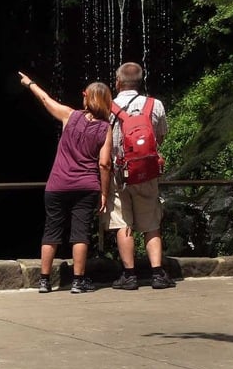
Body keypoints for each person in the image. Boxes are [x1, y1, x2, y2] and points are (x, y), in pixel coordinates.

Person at [19, 71, 113, 294]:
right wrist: (104, 192)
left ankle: (44, 281)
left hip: (57, 184)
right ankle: (78, 282)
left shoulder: (70, 116)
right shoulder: (105, 128)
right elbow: (105, 164)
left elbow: (45, 99)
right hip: (86, 186)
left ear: (86, 97)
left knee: (51, 232)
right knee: (80, 234)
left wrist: (29, 83)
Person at [104, 62, 174, 289]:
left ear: (117, 82)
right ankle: (157, 274)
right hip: (147, 173)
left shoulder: (108, 106)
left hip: (118, 174)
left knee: (123, 223)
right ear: (140, 81)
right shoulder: (155, 105)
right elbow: (160, 138)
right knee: (151, 223)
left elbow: (103, 144)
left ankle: (130, 275)